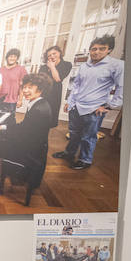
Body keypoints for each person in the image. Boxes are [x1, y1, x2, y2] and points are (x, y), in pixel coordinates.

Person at [0, 74, 56, 192]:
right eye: (24, 87)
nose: (25, 90)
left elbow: (21, 135)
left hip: (29, 151)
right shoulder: (39, 104)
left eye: (30, 87)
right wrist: (1, 127)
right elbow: (24, 127)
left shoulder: (38, 110)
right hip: (33, 146)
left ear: (40, 89)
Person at [54, 35, 123, 171]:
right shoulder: (85, 66)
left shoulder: (117, 65)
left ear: (109, 50)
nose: (96, 52)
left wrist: (109, 106)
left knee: (88, 137)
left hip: (94, 109)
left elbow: (122, 87)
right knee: (74, 133)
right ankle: (69, 153)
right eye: (93, 49)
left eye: (101, 49)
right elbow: (76, 85)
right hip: (77, 106)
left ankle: (85, 160)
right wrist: (70, 101)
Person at [38, 45, 72, 120]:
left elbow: (57, 79)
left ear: (59, 53)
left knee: (51, 114)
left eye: (54, 53)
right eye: (49, 55)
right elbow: (40, 80)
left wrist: (52, 67)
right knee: (40, 115)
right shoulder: (43, 67)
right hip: (43, 91)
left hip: (55, 93)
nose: (52, 56)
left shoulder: (66, 64)